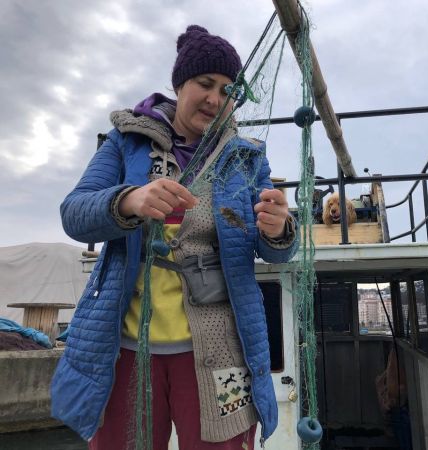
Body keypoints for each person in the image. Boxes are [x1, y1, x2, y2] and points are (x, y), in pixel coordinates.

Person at [50, 25, 298, 450]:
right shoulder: (127, 141)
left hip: (223, 349)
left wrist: (278, 229)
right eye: (205, 83)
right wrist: (129, 200)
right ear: (179, 84)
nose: (215, 99)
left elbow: (277, 250)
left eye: (228, 90)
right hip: (126, 347)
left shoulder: (247, 157)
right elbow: (74, 213)